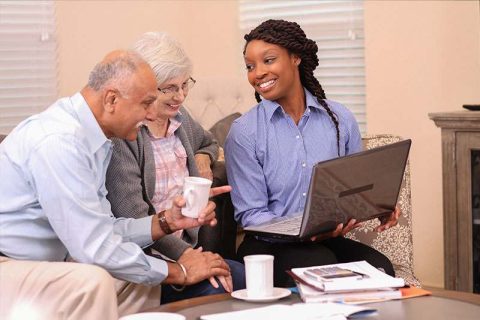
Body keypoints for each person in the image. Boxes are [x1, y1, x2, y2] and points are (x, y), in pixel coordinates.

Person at [0, 50, 232, 319]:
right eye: (146, 104)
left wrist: (166, 221)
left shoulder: (95, 139)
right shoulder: (60, 142)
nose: (149, 115)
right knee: (93, 281)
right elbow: (95, 248)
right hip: (9, 263)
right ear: (111, 99)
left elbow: (102, 228)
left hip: (50, 262)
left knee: (140, 284)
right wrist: (179, 271)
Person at [225, 19, 401, 287]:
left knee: (381, 269)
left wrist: (379, 206)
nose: (258, 73)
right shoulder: (245, 132)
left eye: (268, 60)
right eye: (250, 66)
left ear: (295, 58)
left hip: (328, 239)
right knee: (318, 264)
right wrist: (302, 230)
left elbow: (354, 189)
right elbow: (251, 215)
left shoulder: (340, 119)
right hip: (268, 247)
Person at [105, 32, 245, 304]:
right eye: (168, 88)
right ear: (144, 86)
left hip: (186, 248)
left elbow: (208, 141)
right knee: (220, 290)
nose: (179, 96)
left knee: (242, 276)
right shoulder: (125, 136)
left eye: (184, 85)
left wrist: (203, 158)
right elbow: (135, 218)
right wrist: (185, 256)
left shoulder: (180, 120)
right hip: (147, 263)